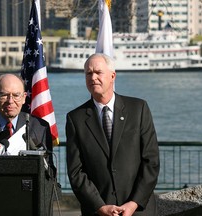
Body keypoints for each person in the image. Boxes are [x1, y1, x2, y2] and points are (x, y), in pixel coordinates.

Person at [66, 53, 160, 216]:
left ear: (112, 76)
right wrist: (100, 206)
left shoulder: (138, 109)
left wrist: (133, 204)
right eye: (89, 73)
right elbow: (76, 171)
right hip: (98, 212)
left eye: (98, 72)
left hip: (138, 211)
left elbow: (151, 161)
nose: (93, 77)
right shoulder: (76, 118)